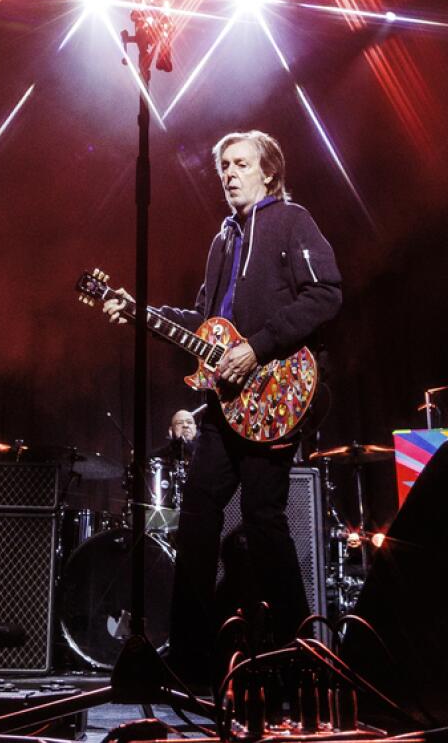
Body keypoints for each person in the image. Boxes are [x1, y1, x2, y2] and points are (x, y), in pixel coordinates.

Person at [102, 130, 342, 688]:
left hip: (276, 395)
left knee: (264, 521)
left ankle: (299, 655)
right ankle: (190, 659)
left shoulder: (291, 220)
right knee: (196, 521)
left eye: (241, 164)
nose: (230, 173)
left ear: (269, 172)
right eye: (224, 166)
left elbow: (326, 293)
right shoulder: (223, 241)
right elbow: (204, 325)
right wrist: (140, 311)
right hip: (225, 408)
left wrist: (258, 346)